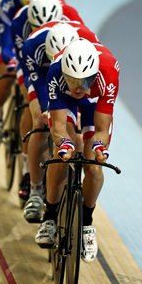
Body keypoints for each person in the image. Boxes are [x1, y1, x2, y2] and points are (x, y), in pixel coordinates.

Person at [34, 37, 120, 262]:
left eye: (85, 80)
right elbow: (59, 128)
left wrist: (100, 147)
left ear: (94, 73)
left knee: (93, 167)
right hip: (65, 101)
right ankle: (50, 216)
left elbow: (102, 128)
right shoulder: (55, 71)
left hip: (95, 105)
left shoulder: (108, 72)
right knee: (61, 156)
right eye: (73, 79)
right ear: (64, 72)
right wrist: (64, 144)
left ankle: (87, 223)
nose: (79, 87)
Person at [22, 21, 100, 223]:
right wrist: (45, 109)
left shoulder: (88, 45)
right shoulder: (32, 45)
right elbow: (38, 83)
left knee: (77, 135)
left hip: (73, 80)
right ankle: (35, 190)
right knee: (39, 122)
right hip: (44, 76)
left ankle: (69, 186)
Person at [0, 0, 64, 148]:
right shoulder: (8, 3)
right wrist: (12, 61)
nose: (30, 4)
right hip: (17, 38)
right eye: (26, 3)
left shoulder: (57, 2)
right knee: (6, 78)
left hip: (46, 43)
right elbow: (5, 43)